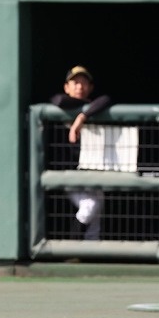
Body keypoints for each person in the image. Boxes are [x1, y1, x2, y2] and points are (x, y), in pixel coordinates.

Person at [50, 65, 111, 241]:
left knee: (95, 214)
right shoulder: (61, 104)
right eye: (75, 82)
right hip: (68, 174)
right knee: (90, 206)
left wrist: (83, 116)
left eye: (84, 82)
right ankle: (72, 245)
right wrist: (85, 109)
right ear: (66, 87)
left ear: (91, 87)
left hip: (91, 170)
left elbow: (106, 99)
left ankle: (90, 249)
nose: (79, 87)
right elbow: (58, 101)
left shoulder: (94, 109)